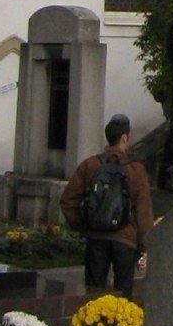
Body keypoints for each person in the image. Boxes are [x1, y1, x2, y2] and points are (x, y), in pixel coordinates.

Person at [60, 114, 153, 301]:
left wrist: (84, 226)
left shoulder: (90, 165)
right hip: (126, 240)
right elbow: (144, 212)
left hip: (96, 238)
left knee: (92, 294)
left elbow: (68, 200)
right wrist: (145, 247)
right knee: (123, 297)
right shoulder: (136, 170)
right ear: (125, 138)